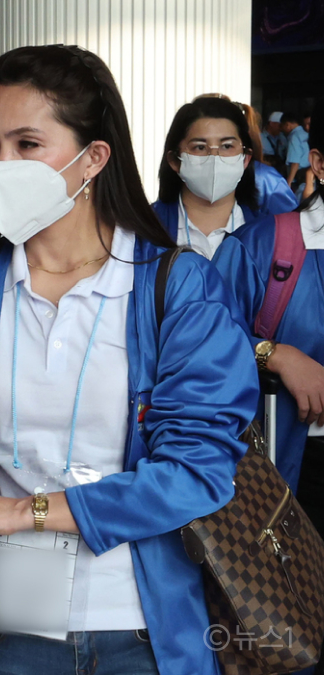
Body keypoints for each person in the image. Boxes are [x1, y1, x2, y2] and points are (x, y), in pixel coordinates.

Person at [0, 45, 258, 675]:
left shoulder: (176, 290)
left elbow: (197, 470)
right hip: (11, 622)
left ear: (93, 159)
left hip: (143, 623)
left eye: (27, 144)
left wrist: (21, 512)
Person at [215, 96, 324, 525]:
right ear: (318, 161)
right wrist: (274, 354)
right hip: (289, 469)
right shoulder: (262, 245)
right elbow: (204, 343)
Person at [152, 97, 260, 260]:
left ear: (245, 159)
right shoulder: (145, 229)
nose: (214, 158)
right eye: (200, 147)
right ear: (175, 160)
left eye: (227, 146)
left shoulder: (267, 233)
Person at [283, 112, 310, 191]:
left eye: (283, 126)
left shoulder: (294, 137)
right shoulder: (306, 133)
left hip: (299, 179)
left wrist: (289, 182)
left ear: (287, 125)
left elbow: (295, 163)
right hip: (311, 176)